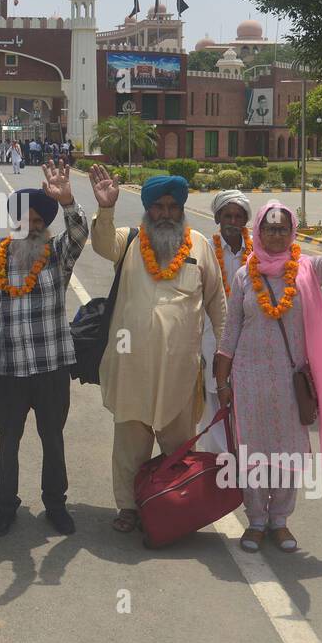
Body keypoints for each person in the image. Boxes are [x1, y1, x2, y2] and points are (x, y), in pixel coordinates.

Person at [213, 186, 322, 553]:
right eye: (269, 228)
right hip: (247, 379)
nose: (276, 234)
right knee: (251, 452)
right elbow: (231, 328)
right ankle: (256, 521)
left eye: (283, 228)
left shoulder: (308, 269)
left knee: (286, 452)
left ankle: (280, 520)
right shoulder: (245, 276)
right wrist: (222, 380)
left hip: (289, 380)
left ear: (291, 231)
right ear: (259, 232)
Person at [88, 167, 226, 533]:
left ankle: (174, 504)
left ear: (181, 208)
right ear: (147, 210)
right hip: (131, 369)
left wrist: (225, 357)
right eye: (158, 207)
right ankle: (129, 508)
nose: (165, 213)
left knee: (178, 447)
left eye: (172, 206)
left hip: (180, 371)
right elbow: (101, 244)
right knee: (129, 446)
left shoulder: (199, 244)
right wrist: (105, 209)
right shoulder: (129, 241)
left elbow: (218, 304)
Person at [0, 163, 89, 536]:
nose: (32, 224)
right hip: (9, 370)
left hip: (51, 366)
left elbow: (79, 231)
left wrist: (67, 198)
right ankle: (6, 505)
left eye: (39, 219)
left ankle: (56, 504)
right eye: (25, 219)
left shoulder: (57, 254)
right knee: (8, 441)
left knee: (52, 439)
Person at [199, 189, 253, 453]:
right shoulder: (206, 250)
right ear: (218, 218)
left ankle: (244, 456)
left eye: (238, 216)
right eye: (227, 215)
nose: (232, 221)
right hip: (212, 337)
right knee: (214, 400)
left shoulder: (257, 252)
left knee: (244, 399)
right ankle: (216, 462)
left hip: (249, 339)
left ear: (245, 220)